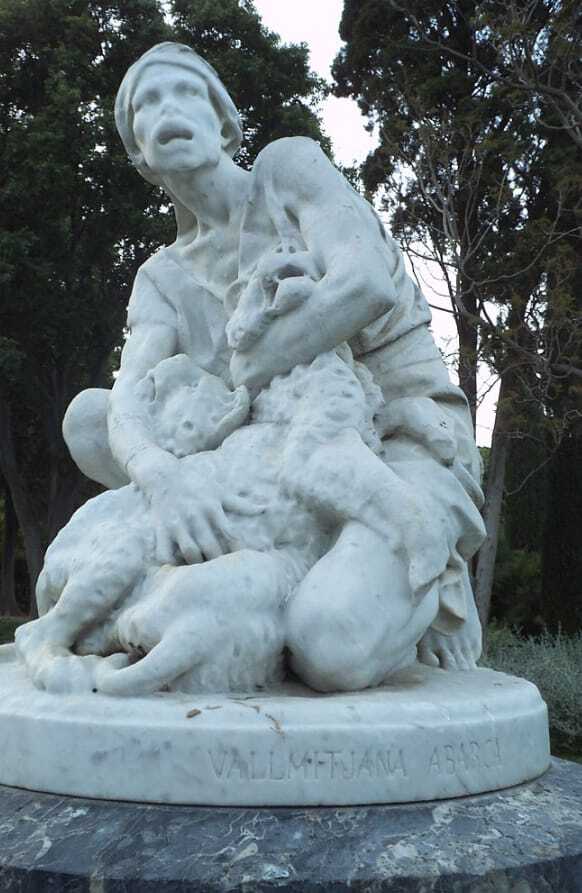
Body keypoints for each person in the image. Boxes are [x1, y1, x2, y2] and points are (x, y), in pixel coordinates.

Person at [27, 42, 485, 693]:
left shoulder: (286, 171)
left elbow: (364, 287)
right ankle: (230, 560)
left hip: (393, 433)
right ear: (139, 155)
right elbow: (126, 404)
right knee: (91, 419)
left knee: (333, 647)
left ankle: (435, 573)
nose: (168, 108)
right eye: (146, 103)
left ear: (225, 126)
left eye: (186, 92)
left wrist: (249, 365)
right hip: (257, 455)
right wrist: (163, 479)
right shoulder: (161, 277)